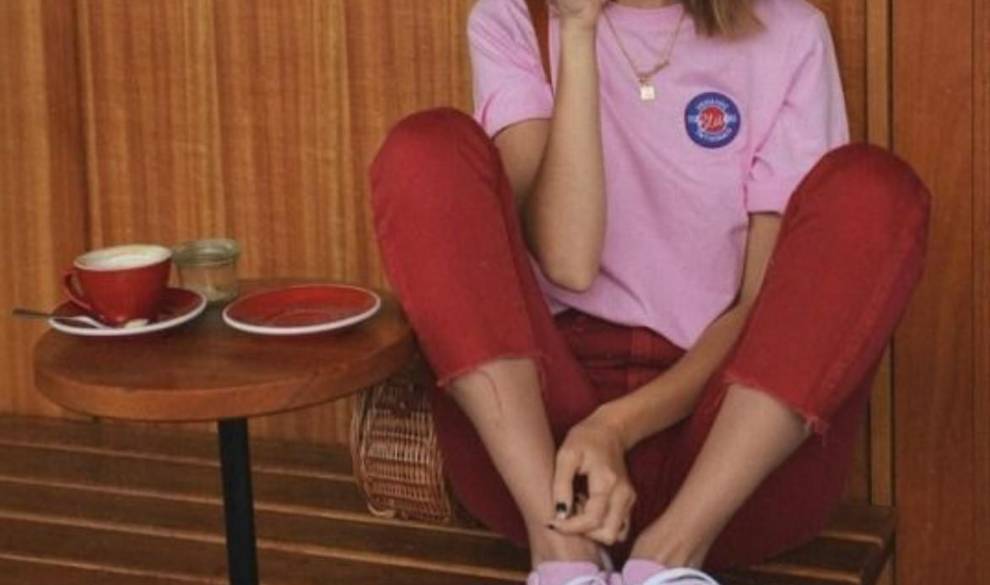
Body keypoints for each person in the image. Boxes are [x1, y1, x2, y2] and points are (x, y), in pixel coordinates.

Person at [370, 0, 930, 583]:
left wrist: (615, 427)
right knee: (426, 150)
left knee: (874, 191)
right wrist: (578, 32)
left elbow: (762, 308)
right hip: (541, 453)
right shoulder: (515, 18)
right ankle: (561, 553)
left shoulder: (790, 34)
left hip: (728, 452)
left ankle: (670, 558)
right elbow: (569, 261)